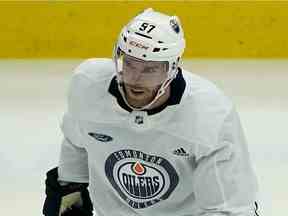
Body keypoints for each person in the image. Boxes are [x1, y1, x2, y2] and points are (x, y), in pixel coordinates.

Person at [43, 8, 259, 216]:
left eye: (150, 69)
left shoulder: (209, 114)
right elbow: (77, 139)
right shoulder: (88, 84)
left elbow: (229, 208)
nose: (135, 79)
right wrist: (71, 186)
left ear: (172, 69)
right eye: (130, 64)